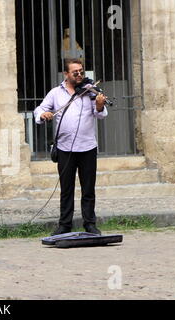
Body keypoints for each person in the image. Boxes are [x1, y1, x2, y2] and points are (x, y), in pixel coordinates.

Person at [33, 58, 108, 236]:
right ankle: (64, 224)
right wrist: (44, 114)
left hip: (87, 147)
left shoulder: (90, 90)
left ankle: (90, 224)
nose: (80, 75)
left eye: (82, 72)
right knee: (67, 189)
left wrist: (99, 105)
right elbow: (39, 110)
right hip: (65, 149)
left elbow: (101, 115)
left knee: (88, 189)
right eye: (75, 73)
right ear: (66, 74)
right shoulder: (55, 93)